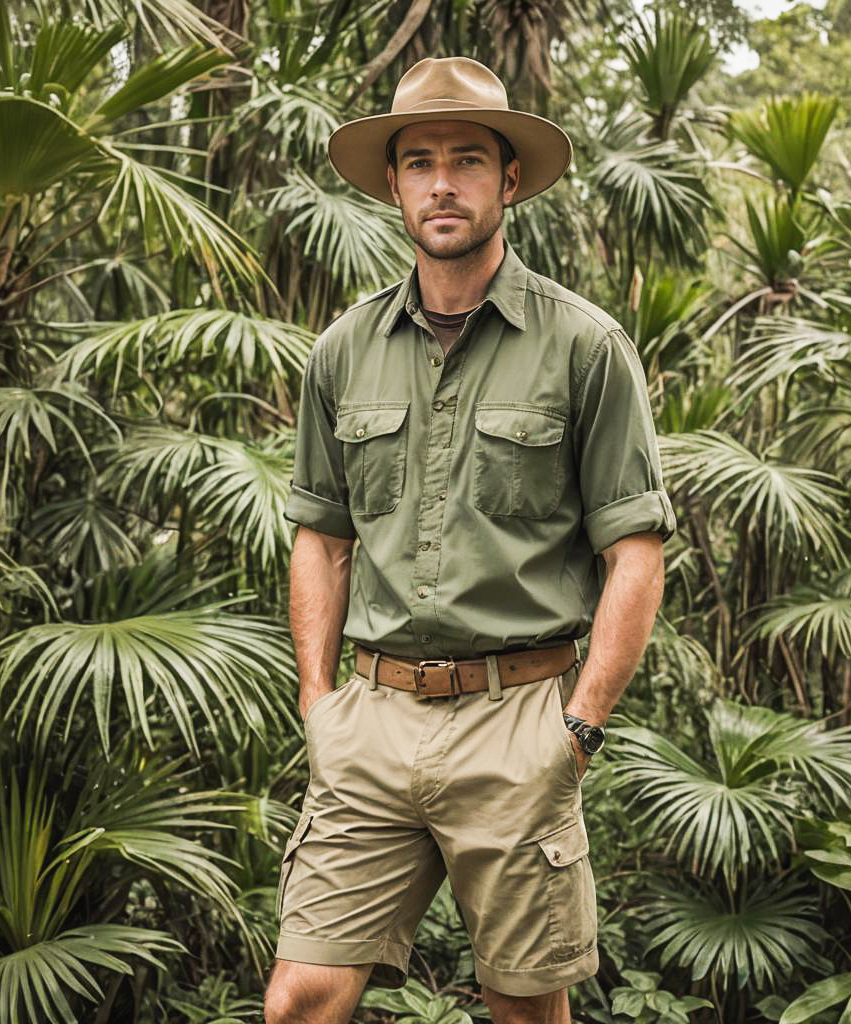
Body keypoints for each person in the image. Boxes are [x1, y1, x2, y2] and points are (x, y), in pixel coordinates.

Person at [264, 55, 677, 1024]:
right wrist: (319, 703)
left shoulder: (583, 346)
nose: (440, 183)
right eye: (418, 162)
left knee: (524, 1007)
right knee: (298, 999)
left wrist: (575, 730)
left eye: (465, 160)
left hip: (520, 716)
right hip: (370, 720)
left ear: (510, 178)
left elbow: (635, 553)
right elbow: (320, 537)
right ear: (395, 185)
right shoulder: (344, 348)